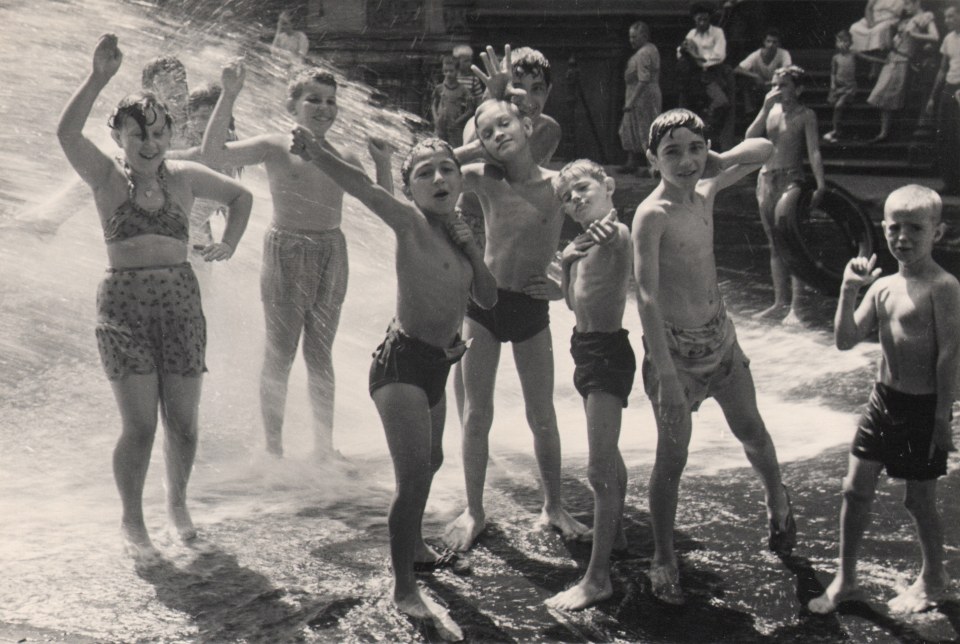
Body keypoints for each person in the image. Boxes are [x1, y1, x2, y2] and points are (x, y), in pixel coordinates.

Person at [291, 131, 497, 641]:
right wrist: (318, 151)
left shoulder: (459, 233)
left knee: (433, 462)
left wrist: (473, 249)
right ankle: (403, 585)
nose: (438, 178)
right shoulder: (410, 223)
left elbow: (488, 299)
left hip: (436, 366)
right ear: (411, 189)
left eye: (446, 168)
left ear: (460, 179)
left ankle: (417, 547)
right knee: (413, 481)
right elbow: (364, 188)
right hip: (400, 369)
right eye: (424, 172)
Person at [57, 34, 253, 560]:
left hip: (181, 304)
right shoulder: (104, 178)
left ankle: (178, 503)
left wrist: (230, 242)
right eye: (137, 132)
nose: (149, 141)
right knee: (141, 427)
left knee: (184, 426)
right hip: (123, 308)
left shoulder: (185, 176)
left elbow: (241, 196)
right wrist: (97, 78)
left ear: (170, 134)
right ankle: (131, 518)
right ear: (118, 136)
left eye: (158, 131)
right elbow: (66, 132)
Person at [632, 108, 795, 604]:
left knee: (753, 431)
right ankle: (663, 556)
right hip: (675, 355)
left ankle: (776, 499)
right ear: (651, 159)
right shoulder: (651, 215)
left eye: (694, 149)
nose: (686, 161)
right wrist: (665, 374)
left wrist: (715, 160)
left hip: (720, 343)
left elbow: (765, 149)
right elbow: (647, 297)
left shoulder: (706, 190)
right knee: (672, 457)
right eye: (672, 152)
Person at [201, 60, 394, 462]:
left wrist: (381, 163)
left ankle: (324, 446)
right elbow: (214, 154)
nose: (323, 108)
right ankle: (274, 449)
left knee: (320, 354)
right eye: (313, 100)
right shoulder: (275, 146)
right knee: (281, 352)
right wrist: (229, 96)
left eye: (330, 101)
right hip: (286, 250)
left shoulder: (343, 157)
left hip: (331, 253)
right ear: (293, 106)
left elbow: (384, 205)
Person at [442, 95, 589, 552]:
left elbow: (597, 232)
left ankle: (554, 505)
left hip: (530, 307)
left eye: (504, 124)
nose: (497, 135)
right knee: (476, 414)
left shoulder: (558, 185)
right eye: (487, 133)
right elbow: (440, 168)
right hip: (483, 305)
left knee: (541, 413)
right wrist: (476, 147)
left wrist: (564, 285)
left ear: (527, 125)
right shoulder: (484, 179)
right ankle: (474, 510)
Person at [808, 184, 960, 615]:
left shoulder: (943, 286)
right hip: (882, 402)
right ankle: (846, 580)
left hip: (922, 408)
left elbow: (950, 353)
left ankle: (935, 578)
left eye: (916, 228)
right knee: (854, 491)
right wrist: (847, 288)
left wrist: (942, 417)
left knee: (918, 500)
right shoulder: (883, 288)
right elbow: (844, 340)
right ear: (883, 229)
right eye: (894, 227)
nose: (903, 237)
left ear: (939, 232)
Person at [544, 160, 635, 611]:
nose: (576, 198)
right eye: (567, 197)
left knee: (598, 470)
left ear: (608, 187)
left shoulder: (615, 233)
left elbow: (619, 243)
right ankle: (614, 534)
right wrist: (566, 261)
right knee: (609, 453)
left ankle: (598, 579)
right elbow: (570, 301)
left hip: (606, 354)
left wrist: (588, 243)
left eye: (583, 188)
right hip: (586, 349)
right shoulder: (583, 242)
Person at [744, 66, 826, 324]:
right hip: (767, 179)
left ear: (798, 89)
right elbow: (749, 138)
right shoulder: (771, 111)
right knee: (774, 242)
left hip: (791, 178)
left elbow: (813, 151)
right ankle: (780, 301)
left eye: (783, 85)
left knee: (792, 240)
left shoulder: (806, 115)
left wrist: (821, 184)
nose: (776, 90)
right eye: (774, 85)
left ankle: (796, 306)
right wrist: (764, 108)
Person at [862, 0, 938, 142]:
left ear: (917, 3)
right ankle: (883, 132)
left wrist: (915, 36)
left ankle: (886, 133)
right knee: (882, 95)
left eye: (908, 4)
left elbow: (935, 36)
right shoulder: (906, 20)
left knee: (888, 95)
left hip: (902, 62)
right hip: (892, 59)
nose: (905, 7)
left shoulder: (925, 16)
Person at [676, 3, 732, 137]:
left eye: (705, 19)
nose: (702, 23)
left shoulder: (717, 33)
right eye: (699, 20)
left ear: (709, 19)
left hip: (712, 72)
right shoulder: (691, 34)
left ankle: (711, 126)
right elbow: (680, 52)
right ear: (694, 20)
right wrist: (691, 56)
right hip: (693, 75)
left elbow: (719, 55)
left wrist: (700, 59)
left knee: (722, 102)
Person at [925, 2, 960, 196]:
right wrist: (933, 97)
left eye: (951, 16)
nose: (947, 21)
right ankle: (951, 183)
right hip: (949, 88)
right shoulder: (948, 39)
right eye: (946, 17)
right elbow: (943, 69)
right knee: (946, 136)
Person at [618, 21, 662, 174]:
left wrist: (631, 102)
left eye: (634, 37)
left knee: (645, 129)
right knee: (631, 127)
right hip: (639, 93)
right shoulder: (649, 49)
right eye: (630, 37)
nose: (632, 40)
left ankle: (653, 167)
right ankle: (632, 162)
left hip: (643, 96)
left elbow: (644, 79)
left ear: (644, 36)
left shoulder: (644, 53)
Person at [734, 28, 792, 116]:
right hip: (759, 87)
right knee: (744, 81)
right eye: (768, 41)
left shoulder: (783, 54)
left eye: (774, 42)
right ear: (764, 42)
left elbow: (787, 69)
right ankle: (750, 112)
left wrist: (774, 81)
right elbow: (737, 69)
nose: (771, 45)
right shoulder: (756, 55)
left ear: (779, 44)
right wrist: (755, 76)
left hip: (775, 86)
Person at [432, 55, 475, 148]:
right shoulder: (439, 88)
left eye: (451, 71)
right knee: (438, 149)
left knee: (455, 150)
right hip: (440, 127)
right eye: (445, 71)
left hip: (455, 128)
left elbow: (471, 109)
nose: (448, 74)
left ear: (457, 71)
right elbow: (433, 104)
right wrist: (436, 118)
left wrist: (458, 121)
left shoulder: (463, 90)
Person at [823, 30, 858, 143]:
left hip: (849, 87)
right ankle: (837, 129)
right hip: (838, 87)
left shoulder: (853, 54)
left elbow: (868, 58)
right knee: (835, 105)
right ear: (836, 43)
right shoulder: (836, 57)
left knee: (838, 106)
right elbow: (833, 72)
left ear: (850, 42)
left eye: (846, 41)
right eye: (840, 41)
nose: (843, 44)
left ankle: (835, 130)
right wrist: (832, 83)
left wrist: (881, 62)